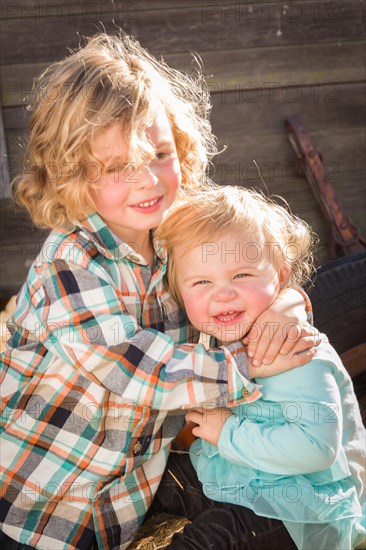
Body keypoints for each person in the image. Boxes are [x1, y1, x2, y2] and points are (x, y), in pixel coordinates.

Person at [0, 33, 318, 550]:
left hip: (131, 488)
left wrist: (285, 305)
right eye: (118, 167)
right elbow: (140, 370)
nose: (147, 181)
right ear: (68, 174)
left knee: (294, 495)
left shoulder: (181, 237)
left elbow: (250, 274)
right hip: (42, 509)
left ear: (182, 146)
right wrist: (256, 363)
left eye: (159, 154)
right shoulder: (68, 264)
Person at [153, 185, 366, 549]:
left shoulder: (294, 350)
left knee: (207, 540)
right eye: (202, 282)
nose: (222, 293)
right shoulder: (215, 342)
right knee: (152, 485)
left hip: (299, 509)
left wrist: (227, 432)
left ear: (280, 278)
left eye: (241, 275)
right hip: (240, 478)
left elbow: (316, 449)